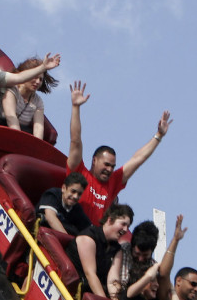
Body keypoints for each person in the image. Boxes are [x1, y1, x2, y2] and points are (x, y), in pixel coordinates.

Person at [66, 81, 172, 225]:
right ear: (94, 160)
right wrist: (75, 107)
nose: (110, 169)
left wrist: (158, 136)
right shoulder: (78, 172)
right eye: (107, 164)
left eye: (112, 166)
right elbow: (75, 140)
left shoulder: (113, 182)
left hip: (96, 240)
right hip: (72, 234)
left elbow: (138, 159)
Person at [65, 203, 132, 300]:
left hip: (94, 293)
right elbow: (90, 274)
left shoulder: (117, 249)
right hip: (76, 290)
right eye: (123, 224)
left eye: (128, 226)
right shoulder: (88, 237)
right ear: (110, 220)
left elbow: (113, 281)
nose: (126, 229)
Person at [0, 56, 57, 138]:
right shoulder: (12, 90)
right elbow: (11, 118)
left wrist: (36, 146)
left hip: (14, 135)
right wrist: (19, 141)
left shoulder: (38, 101)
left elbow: (38, 127)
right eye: (35, 77)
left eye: (40, 79)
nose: (38, 82)